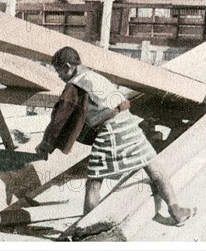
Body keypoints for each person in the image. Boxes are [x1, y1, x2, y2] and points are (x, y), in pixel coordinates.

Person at [35, 46, 196, 226]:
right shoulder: (94, 76)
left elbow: (59, 118)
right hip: (128, 123)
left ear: (67, 66)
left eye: (59, 71)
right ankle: (176, 209)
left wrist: (45, 144)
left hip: (111, 130)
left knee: (94, 180)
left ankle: (87, 226)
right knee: (153, 165)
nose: (59, 75)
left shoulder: (74, 86)